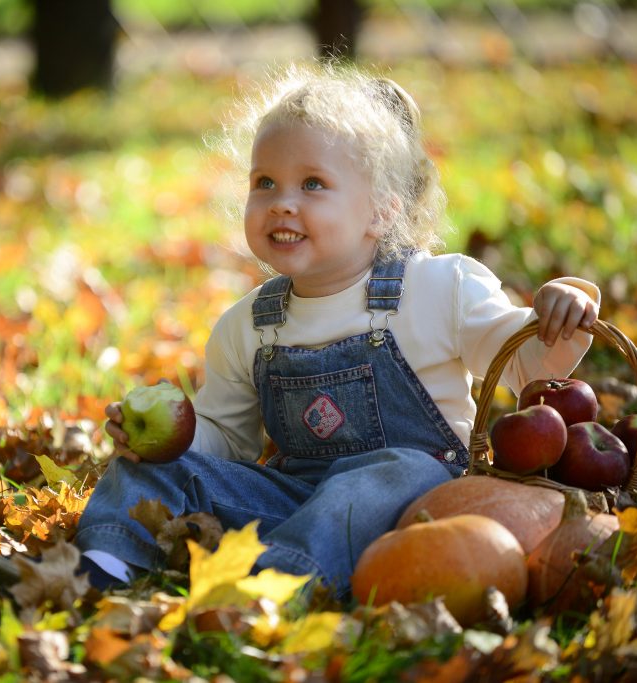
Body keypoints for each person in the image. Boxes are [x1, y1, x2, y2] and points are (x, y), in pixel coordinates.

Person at [74, 62, 600, 597]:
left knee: (389, 471)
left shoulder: (440, 287)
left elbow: (525, 364)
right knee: (159, 471)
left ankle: (274, 589)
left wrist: (561, 309)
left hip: (417, 510)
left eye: (312, 183)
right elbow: (227, 440)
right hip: (290, 498)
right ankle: (101, 565)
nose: (282, 201)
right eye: (265, 182)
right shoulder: (248, 325)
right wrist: (171, 441)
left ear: (380, 211)